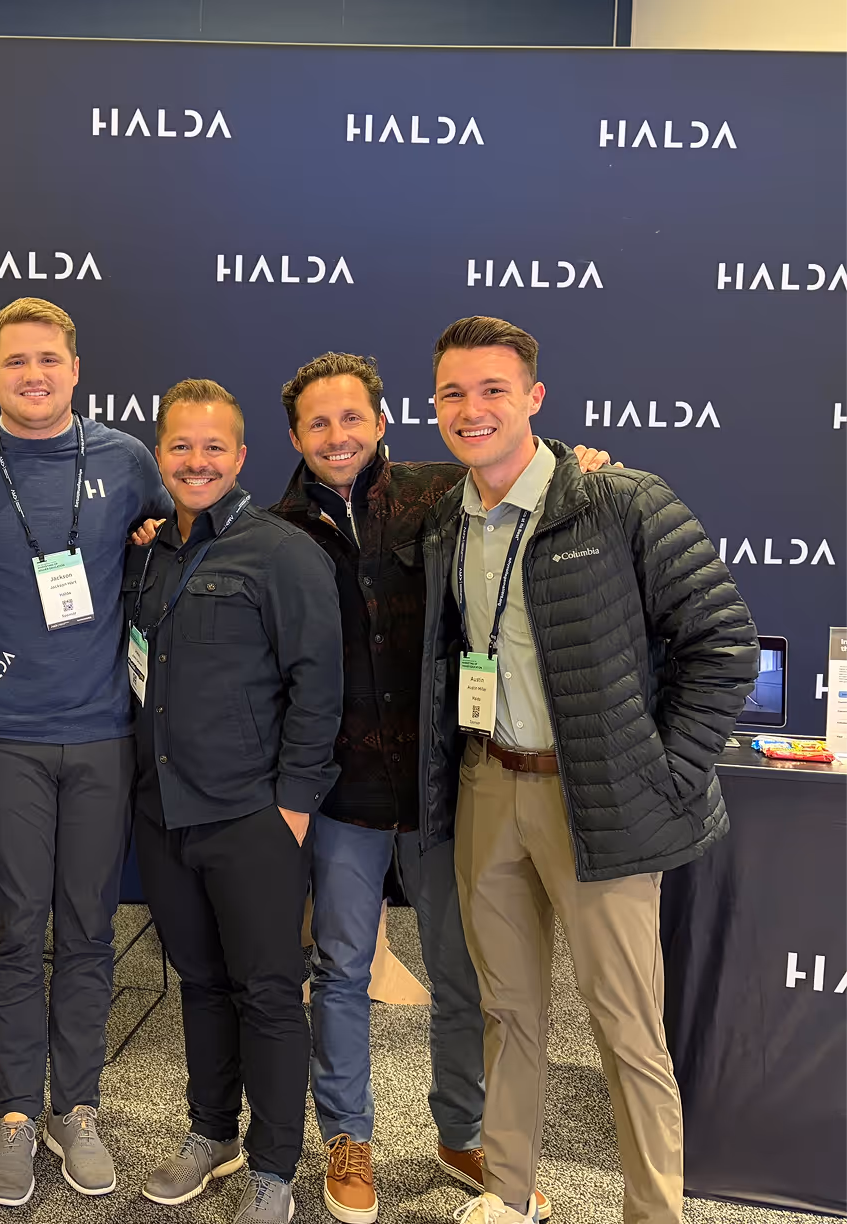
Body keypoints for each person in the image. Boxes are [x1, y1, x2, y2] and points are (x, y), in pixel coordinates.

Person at [414, 317, 758, 1224]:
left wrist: (666, 771)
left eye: (493, 390)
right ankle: (511, 1193)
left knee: (624, 1025)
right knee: (508, 1012)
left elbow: (723, 644)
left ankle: (655, 1212)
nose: (472, 410)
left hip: (598, 797)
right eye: (453, 393)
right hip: (490, 785)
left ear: (534, 398)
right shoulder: (448, 519)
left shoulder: (619, 500)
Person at [270, 353, 611, 1223]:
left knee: (465, 977)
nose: (338, 435)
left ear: (383, 422)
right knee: (340, 970)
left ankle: (462, 1129)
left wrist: (580, 471)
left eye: (353, 418)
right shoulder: (276, 532)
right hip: (341, 795)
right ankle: (349, 1136)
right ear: (298, 437)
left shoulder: (443, 497)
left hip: (441, 788)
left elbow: (525, 477)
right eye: (318, 423)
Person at [0, 298, 172, 1206]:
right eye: (16, 360)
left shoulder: (129, 462)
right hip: (3, 740)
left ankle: (80, 1108)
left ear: (74, 367)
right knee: (18, 934)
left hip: (103, 733)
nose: (34, 374)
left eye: (49, 359)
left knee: (92, 933)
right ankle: (18, 1113)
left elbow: (199, 525)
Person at [128, 380, 343, 1224]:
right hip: (164, 813)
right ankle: (210, 1133)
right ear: (160, 455)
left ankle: (275, 1167)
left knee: (268, 989)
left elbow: (318, 690)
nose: (197, 462)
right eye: (181, 446)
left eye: (214, 447)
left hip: (253, 817)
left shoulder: (282, 553)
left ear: (243, 457)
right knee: (200, 982)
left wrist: (290, 808)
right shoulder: (147, 552)